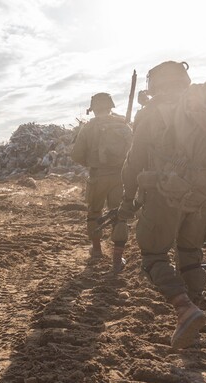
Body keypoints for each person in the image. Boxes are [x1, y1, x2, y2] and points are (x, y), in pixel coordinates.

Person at [119, 61, 206, 349]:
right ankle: (196, 310)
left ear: (155, 85)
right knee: (190, 252)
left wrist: (128, 197)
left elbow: (134, 162)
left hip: (163, 194)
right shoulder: (205, 111)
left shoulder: (152, 114)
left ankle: (185, 308)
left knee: (153, 255)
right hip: (202, 196)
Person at [71, 93, 132, 273]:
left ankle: (97, 251)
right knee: (119, 215)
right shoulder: (124, 125)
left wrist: (92, 162)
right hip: (120, 176)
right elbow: (134, 150)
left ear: (93, 108)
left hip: (97, 176)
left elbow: (76, 155)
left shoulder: (88, 128)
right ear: (110, 106)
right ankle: (117, 258)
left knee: (94, 212)